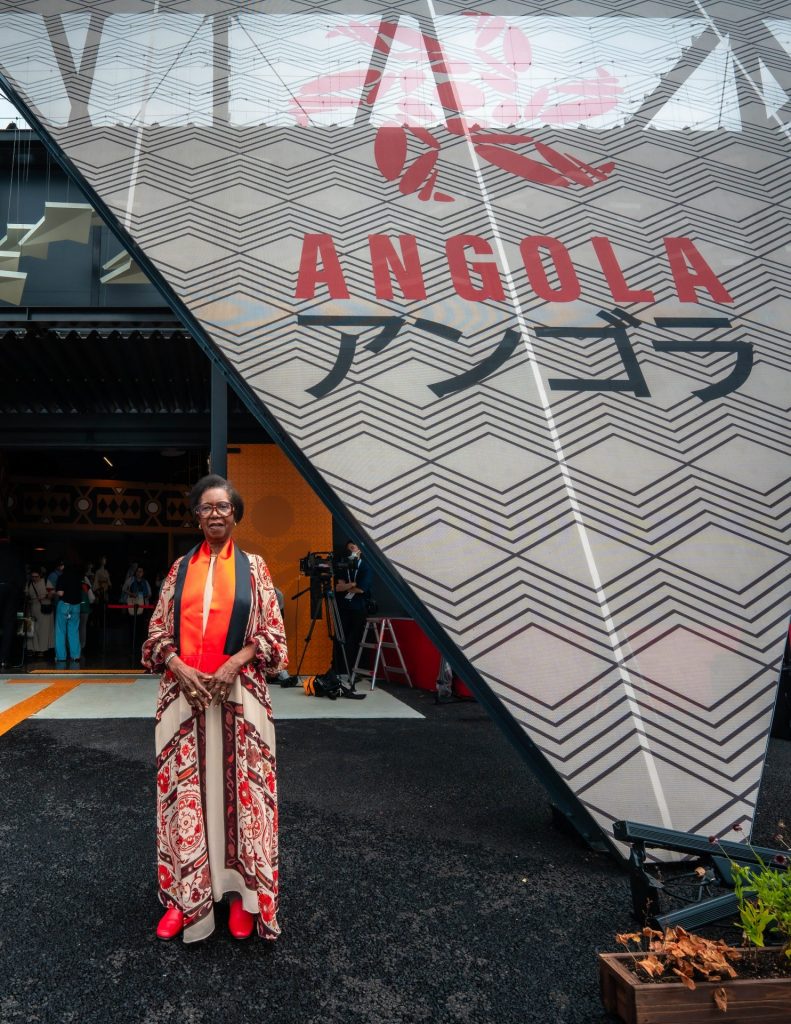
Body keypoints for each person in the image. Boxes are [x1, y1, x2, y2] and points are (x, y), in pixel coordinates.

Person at [142, 474, 287, 944]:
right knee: (184, 798)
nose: (215, 514)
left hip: (239, 697)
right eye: (206, 508)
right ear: (196, 517)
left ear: (235, 514)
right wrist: (178, 666)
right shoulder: (179, 570)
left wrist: (233, 664)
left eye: (223, 506)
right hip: (184, 698)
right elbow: (156, 633)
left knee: (242, 798)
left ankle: (243, 895)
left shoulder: (255, 568)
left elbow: (273, 635)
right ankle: (183, 899)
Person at [334, 540, 374, 679]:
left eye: (353, 547)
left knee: (355, 638)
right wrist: (352, 584)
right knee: (341, 637)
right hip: (344, 607)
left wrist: (349, 586)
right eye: (349, 548)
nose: (351, 550)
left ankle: (353, 671)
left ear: (359, 550)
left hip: (359, 607)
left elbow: (361, 589)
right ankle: (339, 669)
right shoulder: (343, 567)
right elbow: (338, 587)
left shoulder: (365, 567)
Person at [0, 527, 25, 669]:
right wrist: (20, 590)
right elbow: (21, 574)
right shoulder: (15, 551)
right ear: (8, 537)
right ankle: (4, 659)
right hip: (11, 588)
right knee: (9, 624)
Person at [55, 562, 83, 665]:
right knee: (74, 631)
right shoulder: (78, 577)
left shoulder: (62, 577)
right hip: (76, 606)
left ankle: (61, 657)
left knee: (61, 631)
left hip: (64, 605)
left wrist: (53, 592)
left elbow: (60, 593)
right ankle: (76, 656)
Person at [24, 569, 55, 658]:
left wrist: (45, 596)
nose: (34, 578)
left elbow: (52, 594)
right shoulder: (29, 583)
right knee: (31, 630)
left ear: (40, 576)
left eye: (36, 577)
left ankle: (42, 650)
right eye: (32, 577)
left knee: (43, 630)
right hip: (31, 609)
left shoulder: (46, 582)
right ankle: (32, 649)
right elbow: (26, 594)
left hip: (44, 609)